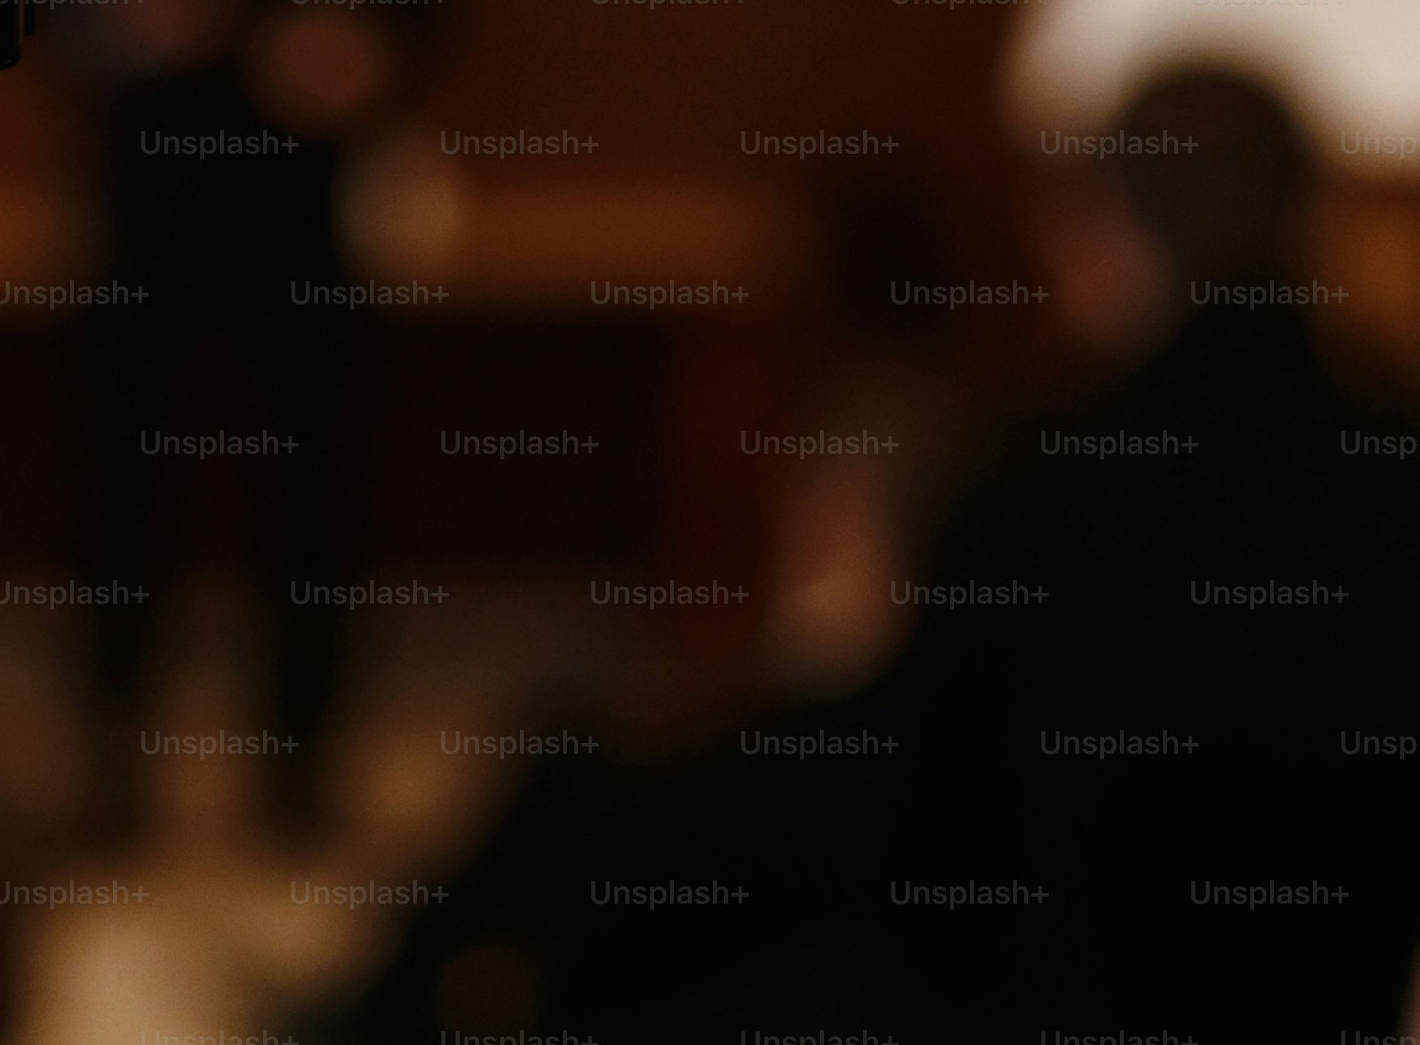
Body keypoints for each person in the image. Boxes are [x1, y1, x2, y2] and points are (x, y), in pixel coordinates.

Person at [325, 64, 1420, 1041]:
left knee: (587, 816)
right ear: (1310, 223)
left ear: (1106, 231)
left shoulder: (1054, 479)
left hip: (1031, 989)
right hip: (1314, 996)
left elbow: (917, 802)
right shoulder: (1390, 462)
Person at [37, 0, 437, 837]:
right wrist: (134, 11)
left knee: (312, 500)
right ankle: (113, 759)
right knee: (122, 496)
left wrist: (354, 48)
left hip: (299, 214)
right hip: (149, 210)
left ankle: (301, 765)